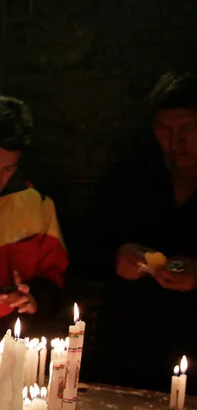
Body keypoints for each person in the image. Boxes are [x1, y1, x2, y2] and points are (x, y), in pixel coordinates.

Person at [98, 70, 197, 390]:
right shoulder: (133, 177)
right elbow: (90, 245)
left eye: (189, 129)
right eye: (165, 130)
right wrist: (119, 256)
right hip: (131, 347)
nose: (176, 142)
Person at [0, 96, 69, 353]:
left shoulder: (37, 205)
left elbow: (56, 279)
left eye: (8, 169)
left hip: (17, 341)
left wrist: (34, 299)